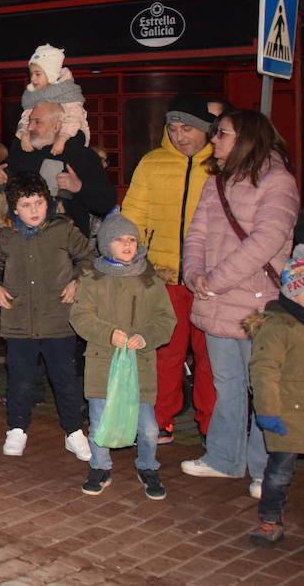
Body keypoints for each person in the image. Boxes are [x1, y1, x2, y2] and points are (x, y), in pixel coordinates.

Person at [181, 109, 298, 497]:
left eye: (222, 133)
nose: (213, 140)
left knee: (264, 388)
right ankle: (224, 459)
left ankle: (265, 470)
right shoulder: (216, 181)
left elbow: (265, 241)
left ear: (247, 137)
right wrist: (193, 273)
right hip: (216, 301)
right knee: (226, 383)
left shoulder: (277, 181)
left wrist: (213, 280)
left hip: (257, 307)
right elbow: (195, 231)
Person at [119, 93, 218, 443]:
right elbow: (133, 216)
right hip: (162, 276)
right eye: (173, 128)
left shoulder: (221, 165)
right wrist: (131, 261)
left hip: (209, 279)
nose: (180, 136)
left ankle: (211, 425)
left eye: (187, 128)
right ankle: (161, 420)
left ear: (206, 129)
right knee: (164, 353)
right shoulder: (152, 162)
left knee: (211, 358)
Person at [0, 170, 96, 460]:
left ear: (48, 202)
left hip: (58, 320)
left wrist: (77, 280)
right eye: (26, 205)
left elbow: (88, 257)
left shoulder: (63, 229)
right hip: (18, 322)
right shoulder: (6, 236)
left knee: (65, 379)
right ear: (14, 208)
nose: (34, 211)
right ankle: (17, 428)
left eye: (39, 203)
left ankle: (73, 431)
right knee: (20, 379)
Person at [69, 212, 176, 499]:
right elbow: (80, 316)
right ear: (106, 244)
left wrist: (146, 337)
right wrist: (108, 333)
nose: (127, 245)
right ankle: (100, 467)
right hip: (103, 361)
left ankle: (148, 466)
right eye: (119, 240)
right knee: (100, 422)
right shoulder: (93, 278)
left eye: (132, 239)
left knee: (149, 428)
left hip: (139, 364)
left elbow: (166, 319)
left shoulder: (150, 280)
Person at [243, 261, 304, 546]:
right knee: (279, 471)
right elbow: (263, 371)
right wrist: (267, 411)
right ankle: (269, 520)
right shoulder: (279, 325)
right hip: (287, 413)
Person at [0, 99, 114, 237]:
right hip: (22, 245)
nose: (30, 127)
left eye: (38, 122)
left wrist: (79, 187)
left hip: (66, 248)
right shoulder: (22, 151)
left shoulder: (82, 155)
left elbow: (107, 202)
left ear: (57, 126)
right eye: (30, 121)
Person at [15, 44, 90, 156]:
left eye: (38, 74)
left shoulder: (68, 91)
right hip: (46, 136)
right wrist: (23, 134)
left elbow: (75, 118)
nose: (32, 78)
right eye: (31, 74)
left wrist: (62, 139)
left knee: (75, 141)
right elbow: (26, 117)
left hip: (70, 134)